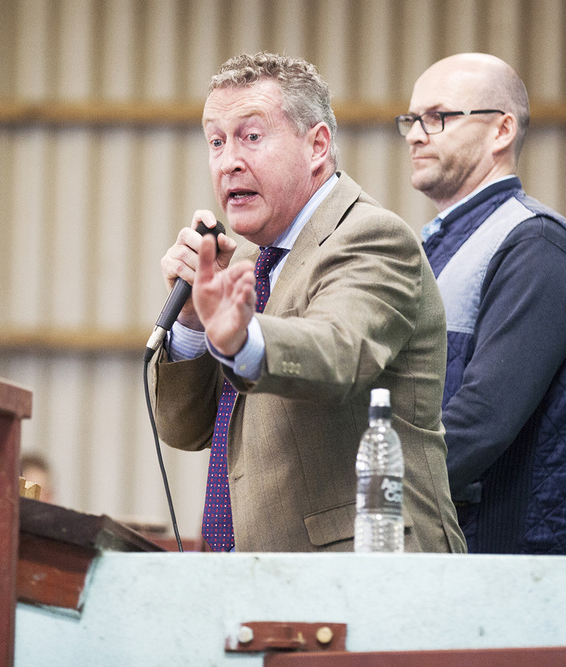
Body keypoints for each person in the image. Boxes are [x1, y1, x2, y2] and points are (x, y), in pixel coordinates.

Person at [149, 52, 465, 553]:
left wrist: (243, 338)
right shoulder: (247, 262)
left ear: (317, 146)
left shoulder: (372, 237)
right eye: (216, 141)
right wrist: (189, 322)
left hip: (368, 576)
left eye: (251, 136)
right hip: (259, 580)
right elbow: (185, 430)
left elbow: (338, 351)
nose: (229, 159)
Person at [399, 53, 566, 554]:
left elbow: (483, 418)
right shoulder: (441, 248)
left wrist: (372, 489)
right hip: (453, 546)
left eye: (437, 117)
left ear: (501, 130)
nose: (415, 135)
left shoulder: (535, 245)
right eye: (411, 119)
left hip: (512, 560)